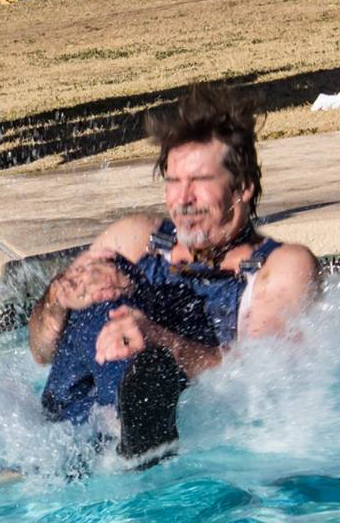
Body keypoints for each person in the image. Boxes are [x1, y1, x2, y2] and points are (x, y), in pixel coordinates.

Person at [28, 87, 320, 458]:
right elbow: (40, 352)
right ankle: (119, 429)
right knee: (110, 288)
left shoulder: (277, 269)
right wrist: (59, 298)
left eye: (199, 181)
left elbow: (262, 377)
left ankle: (132, 428)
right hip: (64, 428)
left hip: (174, 433)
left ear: (242, 187)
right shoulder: (134, 239)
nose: (183, 199)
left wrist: (160, 342)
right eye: (173, 181)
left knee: (121, 305)